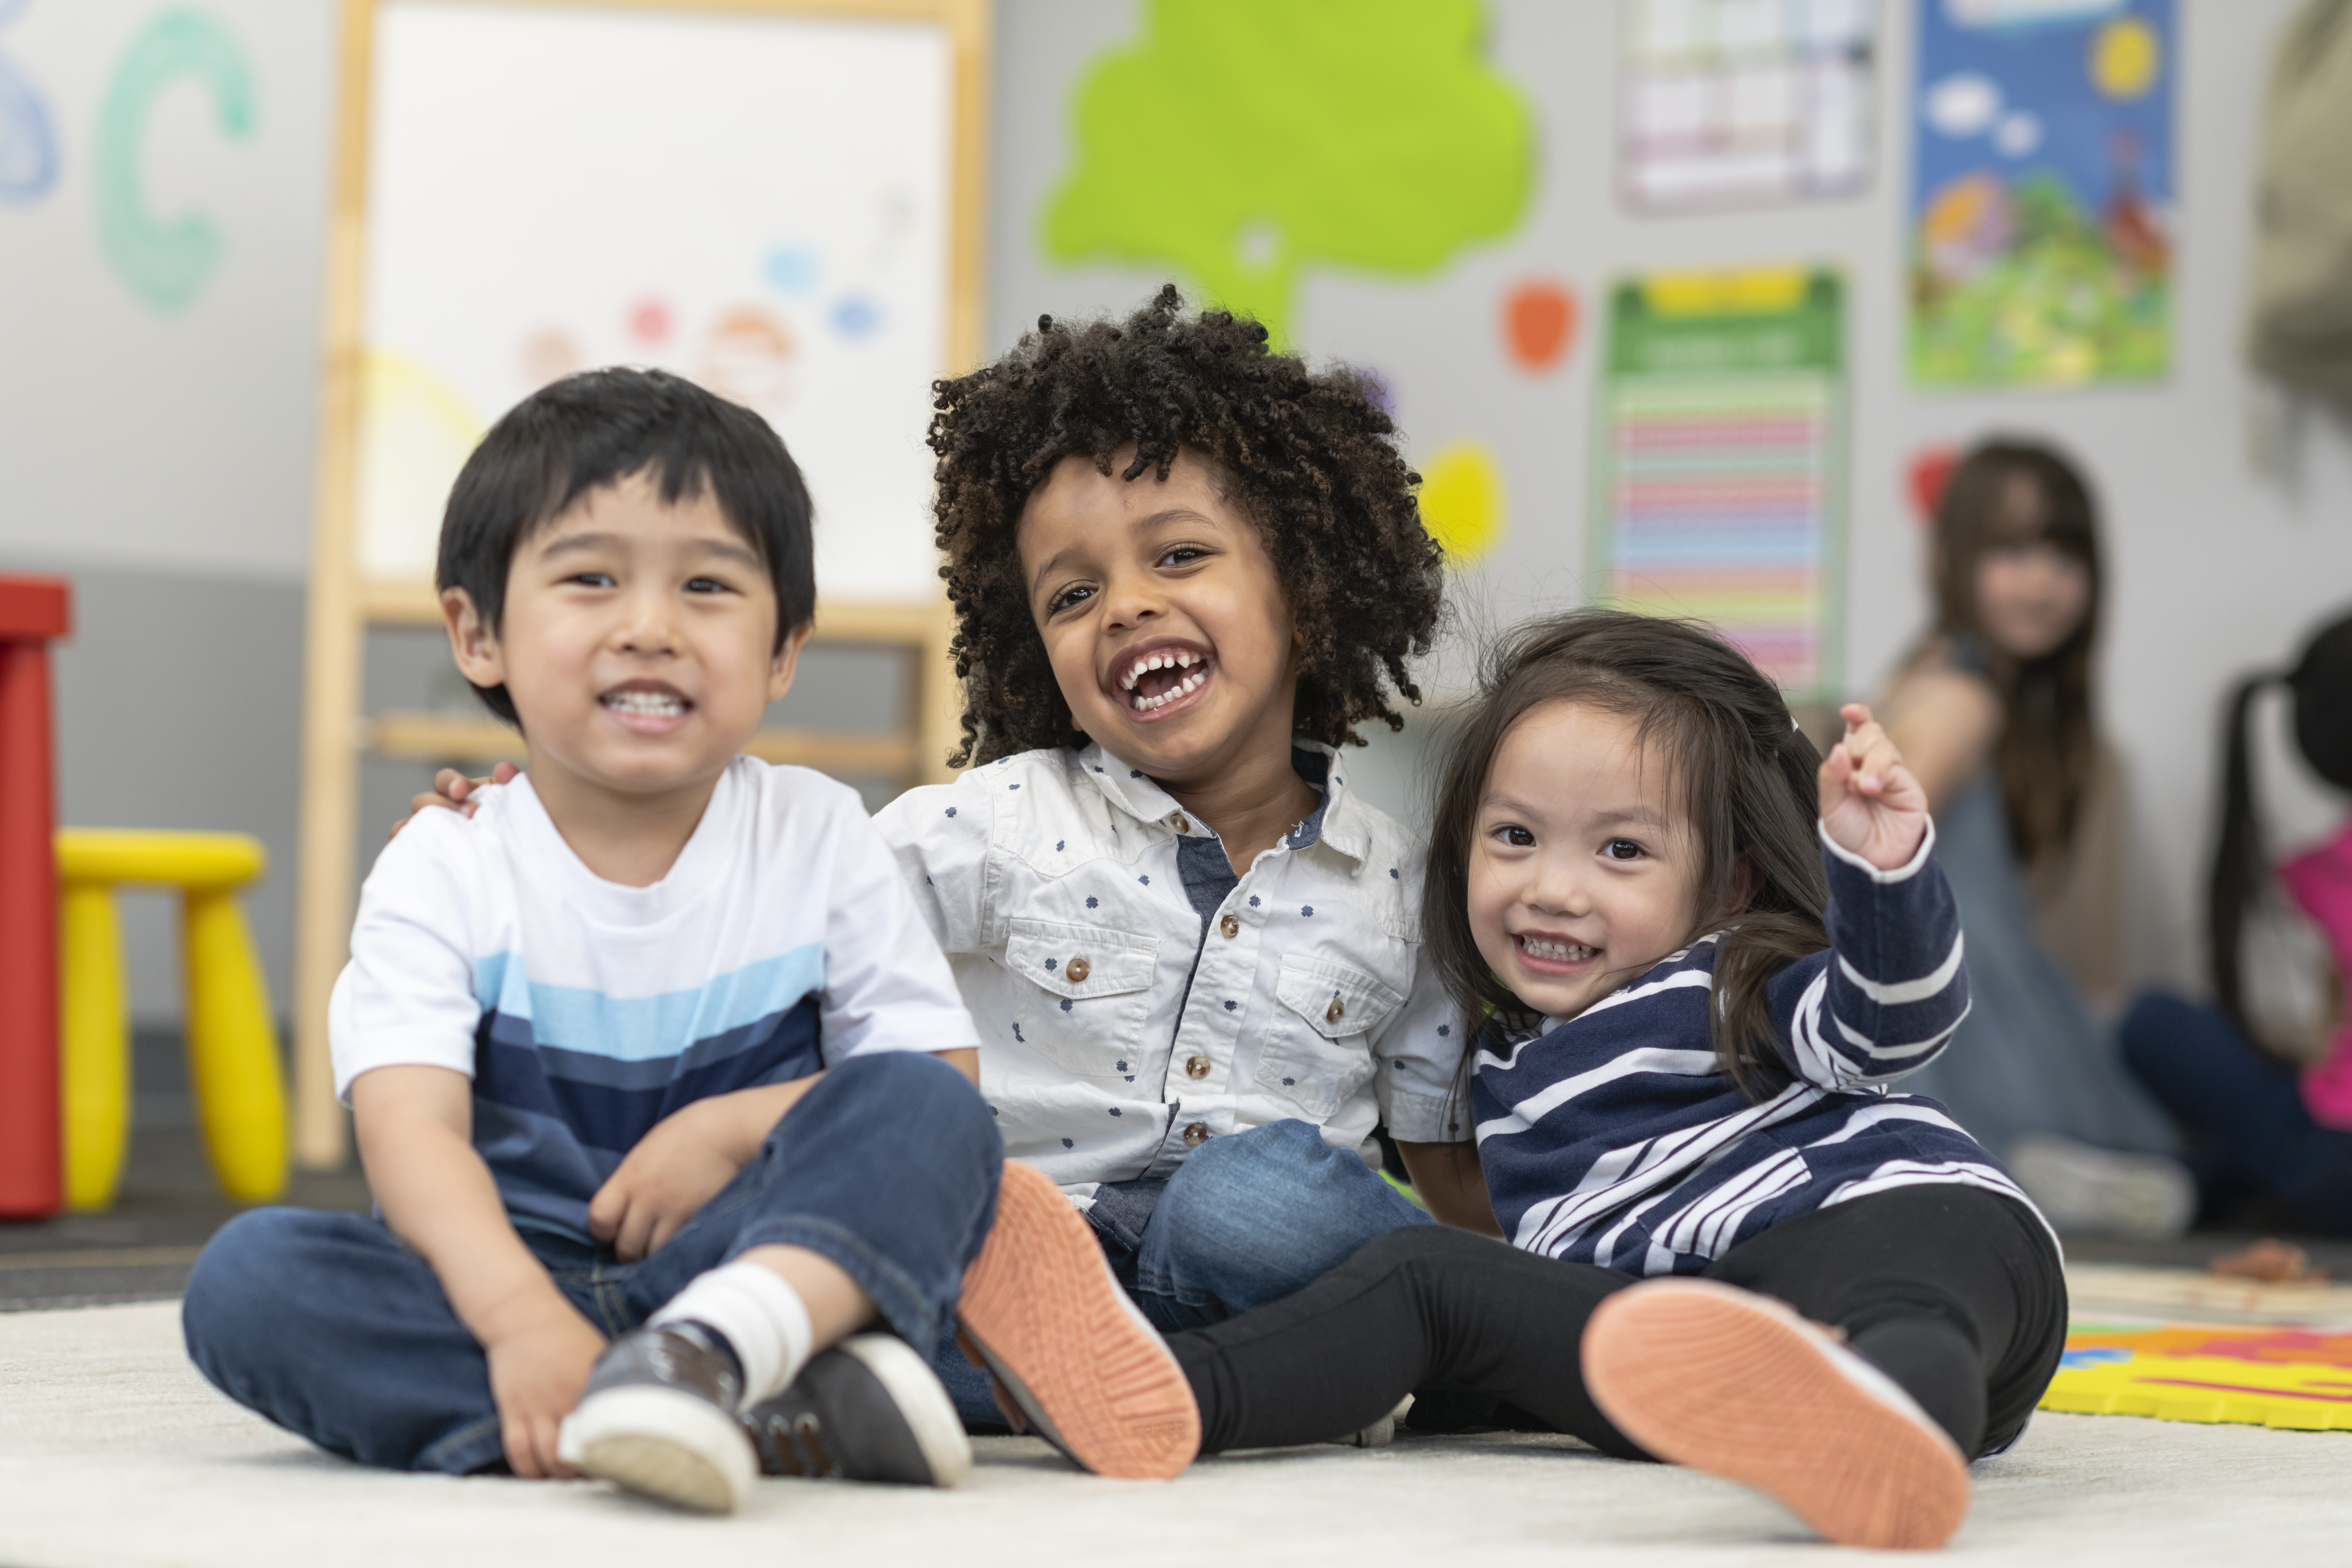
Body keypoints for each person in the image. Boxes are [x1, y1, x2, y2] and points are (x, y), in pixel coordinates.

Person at [417, 288, 1477, 1437]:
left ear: (1307, 593)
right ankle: (1155, 1390)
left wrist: (1504, 1284)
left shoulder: (1402, 887)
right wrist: (549, 842)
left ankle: (1338, 1365)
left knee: (1251, 1201)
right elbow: (742, 916)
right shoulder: (989, 827)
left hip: (1258, 1274)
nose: (1124, 606)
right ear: (1036, 646)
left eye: (1178, 555)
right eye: (1071, 596)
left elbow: (1440, 1168)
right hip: (1011, 1271)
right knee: (900, 1256)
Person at [183, 369, 1197, 1515]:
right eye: (590, 578)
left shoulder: (814, 832)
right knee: (249, 1284)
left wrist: (727, 1130)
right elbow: (411, 1135)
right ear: (478, 633)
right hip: (507, 1281)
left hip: (745, 1257)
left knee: (926, 1114)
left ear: (781, 653)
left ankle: (712, 1358)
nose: (650, 627)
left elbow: (933, 1081)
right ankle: (760, 1407)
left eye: (708, 585)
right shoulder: (445, 860)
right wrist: (518, 1320)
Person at [1157, 611, 2067, 1553]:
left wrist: (1883, 879)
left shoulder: (1730, 973)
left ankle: (1890, 1435)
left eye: (1621, 850)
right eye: (1514, 835)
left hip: (1891, 1225)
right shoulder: (1492, 1055)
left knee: (1898, 1299)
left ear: (1725, 885)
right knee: (1422, 1276)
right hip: (1690, 1338)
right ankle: (1160, 1395)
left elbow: (1891, 1022)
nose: (1552, 887)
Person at [1875, 439, 2188, 1235]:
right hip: (1960, 990)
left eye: (2062, 553)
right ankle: (2015, 1173)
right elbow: (1869, 846)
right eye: (2011, 550)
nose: (2042, 579)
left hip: (1983, 976)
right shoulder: (1964, 697)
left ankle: (2023, 1170)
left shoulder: (1960, 682)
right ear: (1949, 559)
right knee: (2171, 1156)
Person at [2120, 612, 2352, 1233]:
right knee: (2269, 1148)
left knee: (2150, 1020)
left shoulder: (2316, 873)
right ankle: (2196, 1188)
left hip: (2332, 1156)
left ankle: (2188, 1185)